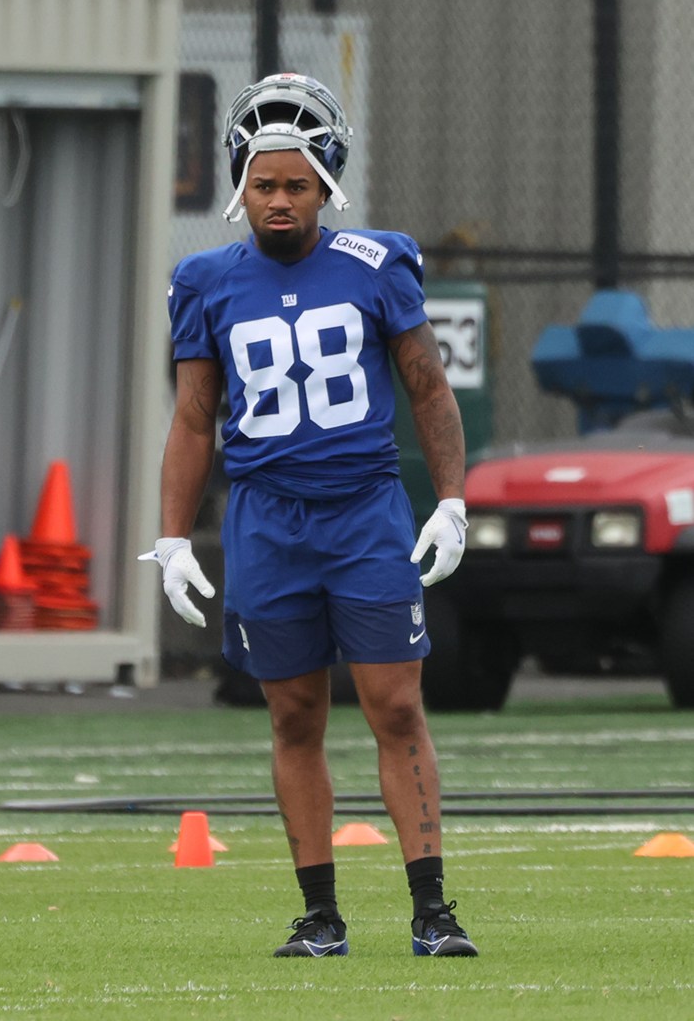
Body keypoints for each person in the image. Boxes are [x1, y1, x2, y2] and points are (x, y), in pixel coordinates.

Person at [142, 73, 478, 959]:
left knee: (394, 703)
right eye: (263, 184)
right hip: (265, 520)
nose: (279, 201)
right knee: (293, 713)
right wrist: (172, 534)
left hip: (364, 509)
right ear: (237, 184)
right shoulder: (204, 278)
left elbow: (426, 386)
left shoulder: (378, 261)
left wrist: (450, 500)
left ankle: (432, 909)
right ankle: (320, 914)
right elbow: (192, 416)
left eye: (295, 184)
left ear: (327, 180)